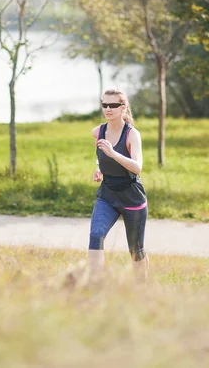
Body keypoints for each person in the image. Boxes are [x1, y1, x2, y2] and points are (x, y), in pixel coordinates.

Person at [88, 88, 149, 281]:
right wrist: (100, 168)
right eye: (104, 104)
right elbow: (100, 155)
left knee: (135, 249)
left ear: (123, 108)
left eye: (113, 105)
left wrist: (113, 154)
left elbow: (137, 167)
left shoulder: (132, 135)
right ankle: (94, 285)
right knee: (96, 235)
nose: (108, 108)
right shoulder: (98, 131)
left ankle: (142, 288)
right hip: (108, 194)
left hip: (131, 196)